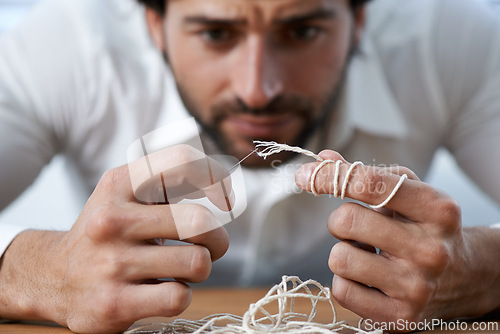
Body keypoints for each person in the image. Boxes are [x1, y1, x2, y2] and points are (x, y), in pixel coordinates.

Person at [0, 0, 499, 332]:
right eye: (217, 33)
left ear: (360, 20)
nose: (258, 90)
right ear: (155, 25)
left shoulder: (452, 40)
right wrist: (40, 270)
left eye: (302, 31)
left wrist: (485, 268)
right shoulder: (63, 47)